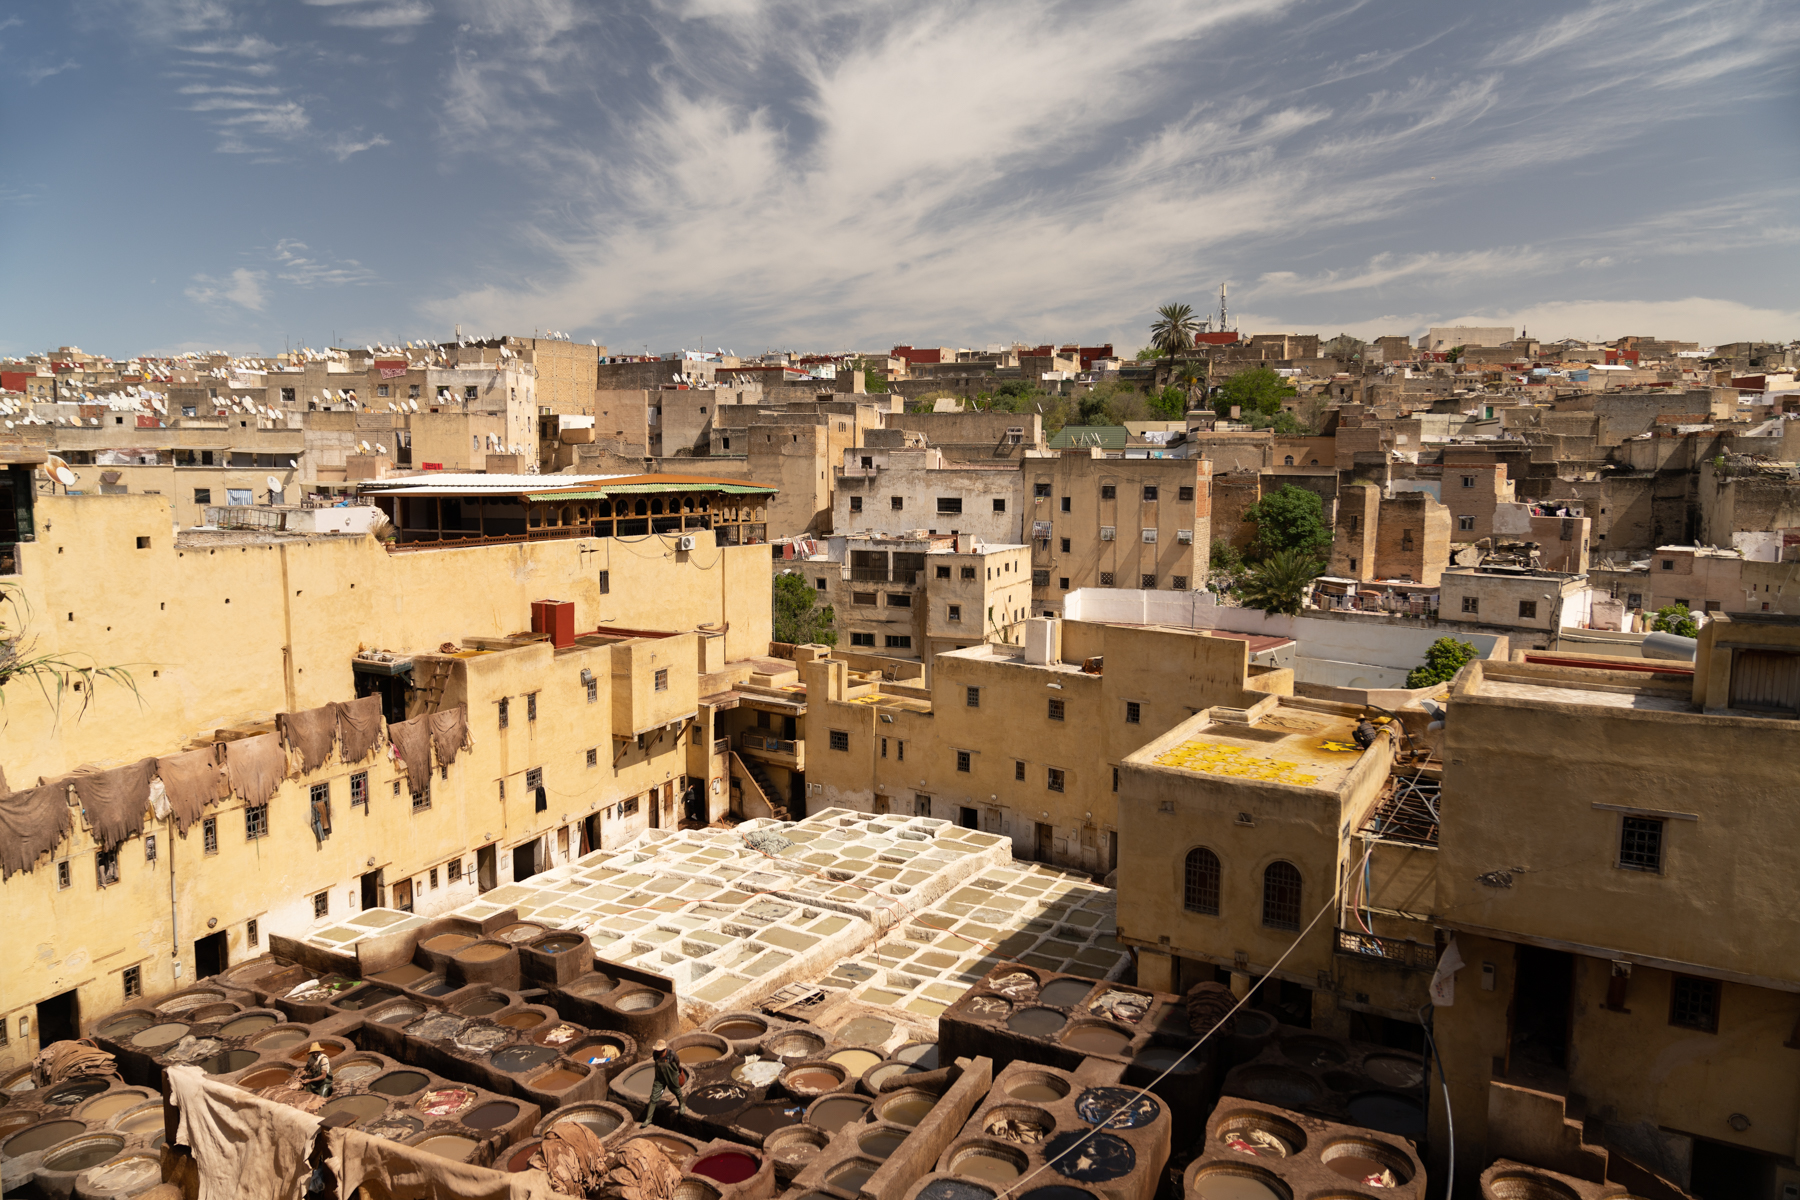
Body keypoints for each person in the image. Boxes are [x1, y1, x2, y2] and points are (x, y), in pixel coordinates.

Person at [643, 1040, 687, 1126]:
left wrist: (676, 1072)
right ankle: (648, 1119)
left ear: (664, 1049)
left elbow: (677, 1062)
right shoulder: (655, 1054)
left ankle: (681, 1104)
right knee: (654, 1097)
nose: (658, 1052)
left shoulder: (672, 1055)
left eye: (660, 1050)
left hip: (671, 1075)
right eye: (657, 1050)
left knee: (676, 1090)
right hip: (659, 1077)